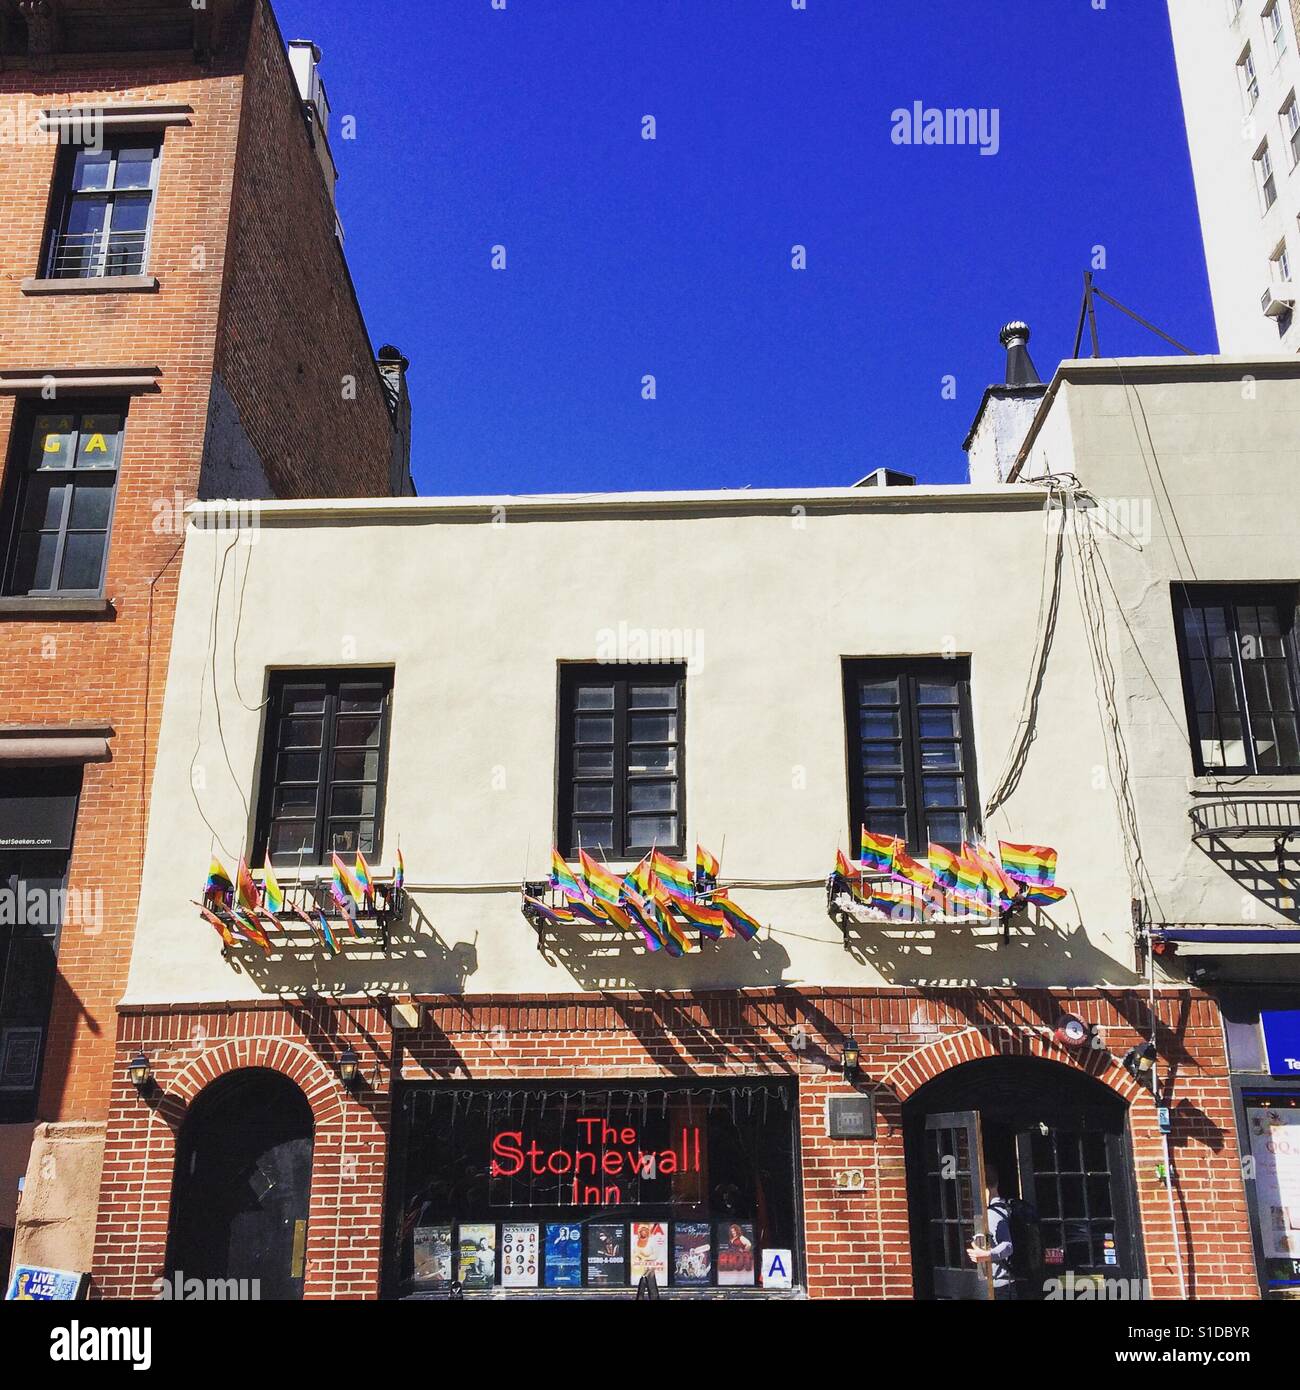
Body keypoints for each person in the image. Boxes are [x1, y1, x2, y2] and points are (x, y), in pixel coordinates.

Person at [966, 1163, 1016, 1299]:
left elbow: (1008, 1246)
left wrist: (985, 1255)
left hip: (1000, 1285)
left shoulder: (992, 1215)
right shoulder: (1005, 1206)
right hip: (1007, 1282)